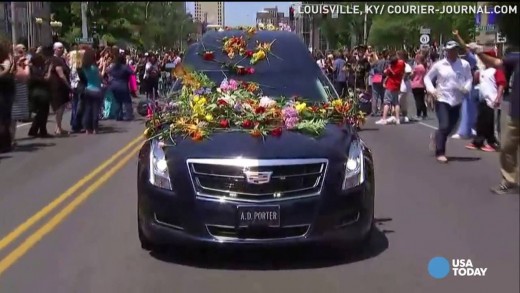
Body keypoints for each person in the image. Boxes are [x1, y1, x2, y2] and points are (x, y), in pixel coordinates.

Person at [469, 43, 519, 194]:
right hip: (515, 114)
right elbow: (496, 63)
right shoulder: (516, 58)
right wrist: (478, 52)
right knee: (506, 147)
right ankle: (509, 181)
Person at [424, 41, 473, 163]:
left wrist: (466, 88)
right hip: (442, 98)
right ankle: (440, 152)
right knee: (444, 125)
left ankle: (438, 136)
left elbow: (469, 78)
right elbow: (427, 78)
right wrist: (431, 90)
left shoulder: (464, 64)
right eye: (450, 50)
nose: (453, 52)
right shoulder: (439, 65)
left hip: (457, 99)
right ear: (446, 51)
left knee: (451, 127)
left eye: (455, 50)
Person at [465, 49, 505, 152]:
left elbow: (501, 84)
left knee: (491, 124)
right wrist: (476, 77)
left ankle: (494, 143)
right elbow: (477, 82)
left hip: (493, 101)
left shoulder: (497, 70)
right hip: (483, 100)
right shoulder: (483, 70)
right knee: (481, 122)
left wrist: (498, 97)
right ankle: (478, 142)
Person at [27, 53, 52, 137]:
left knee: (40, 113)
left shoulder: (33, 68)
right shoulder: (35, 70)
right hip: (40, 93)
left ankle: (34, 130)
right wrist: (49, 70)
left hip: (34, 92)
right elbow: (45, 79)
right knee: (43, 113)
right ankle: (42, 131)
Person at [376, 53, 405, 125]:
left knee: (387, 102)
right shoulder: (401, 64)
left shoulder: (392, 67)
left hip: (390, 85)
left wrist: (389, 68)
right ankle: (397, 119)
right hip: (397, 85)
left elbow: (386, 72)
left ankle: (384, 119)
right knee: (396, 102)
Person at [49, 42, 71, 135]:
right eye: (59, 48)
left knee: (61, 107)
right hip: (57, 86)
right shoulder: (55, 60)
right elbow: (61, 74)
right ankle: (58, 128)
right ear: (55, 49)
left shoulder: (61, 59)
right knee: (59, 108)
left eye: (62, 48)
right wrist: (68, 85)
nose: (61, 49)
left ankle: (58, 127)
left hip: (62, 87)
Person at [81, 48, 104, 134]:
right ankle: (95, 128)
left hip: (88, 89)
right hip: (96, 90)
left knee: (88, 110)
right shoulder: (94, 68)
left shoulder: (84, 68)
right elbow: (100, 77)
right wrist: (103, 67)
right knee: (95, 110)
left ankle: (87, 128)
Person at [107, 52, 135, 121]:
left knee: (117, 101)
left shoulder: (113, 67)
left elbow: (108, 71)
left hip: (114, 85)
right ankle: (129, 116)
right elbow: (133, 72)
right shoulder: (125, 67)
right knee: (127, 101)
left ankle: (118, 115)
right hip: (123, 85)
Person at [0, 41, 16, 153]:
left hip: (5, 94)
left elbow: (6, 70)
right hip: (5, 92)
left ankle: (5, 144)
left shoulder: (5, 62)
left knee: (4, 120)